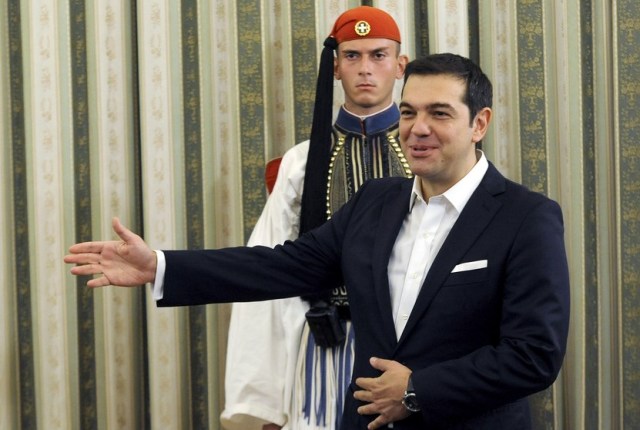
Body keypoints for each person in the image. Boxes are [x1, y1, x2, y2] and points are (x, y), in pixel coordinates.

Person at [65, 53, 571, 430]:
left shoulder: (527, 217)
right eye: (409, 111)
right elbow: (284, 266)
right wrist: (159, 266)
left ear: (479, 122)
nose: (418, 129)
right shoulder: (377, 201)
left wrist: (417, 389)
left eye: (439, 113)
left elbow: (533, 355)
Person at [222, 6, 411, 430]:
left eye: (378, 55)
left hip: (416, 346)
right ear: (336, 67)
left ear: (400, 66)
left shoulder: (428, 155)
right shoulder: (302, 164)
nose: (365, 69)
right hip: (328, 346)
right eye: (352, 56)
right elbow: (270, 277)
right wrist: (268, 403)